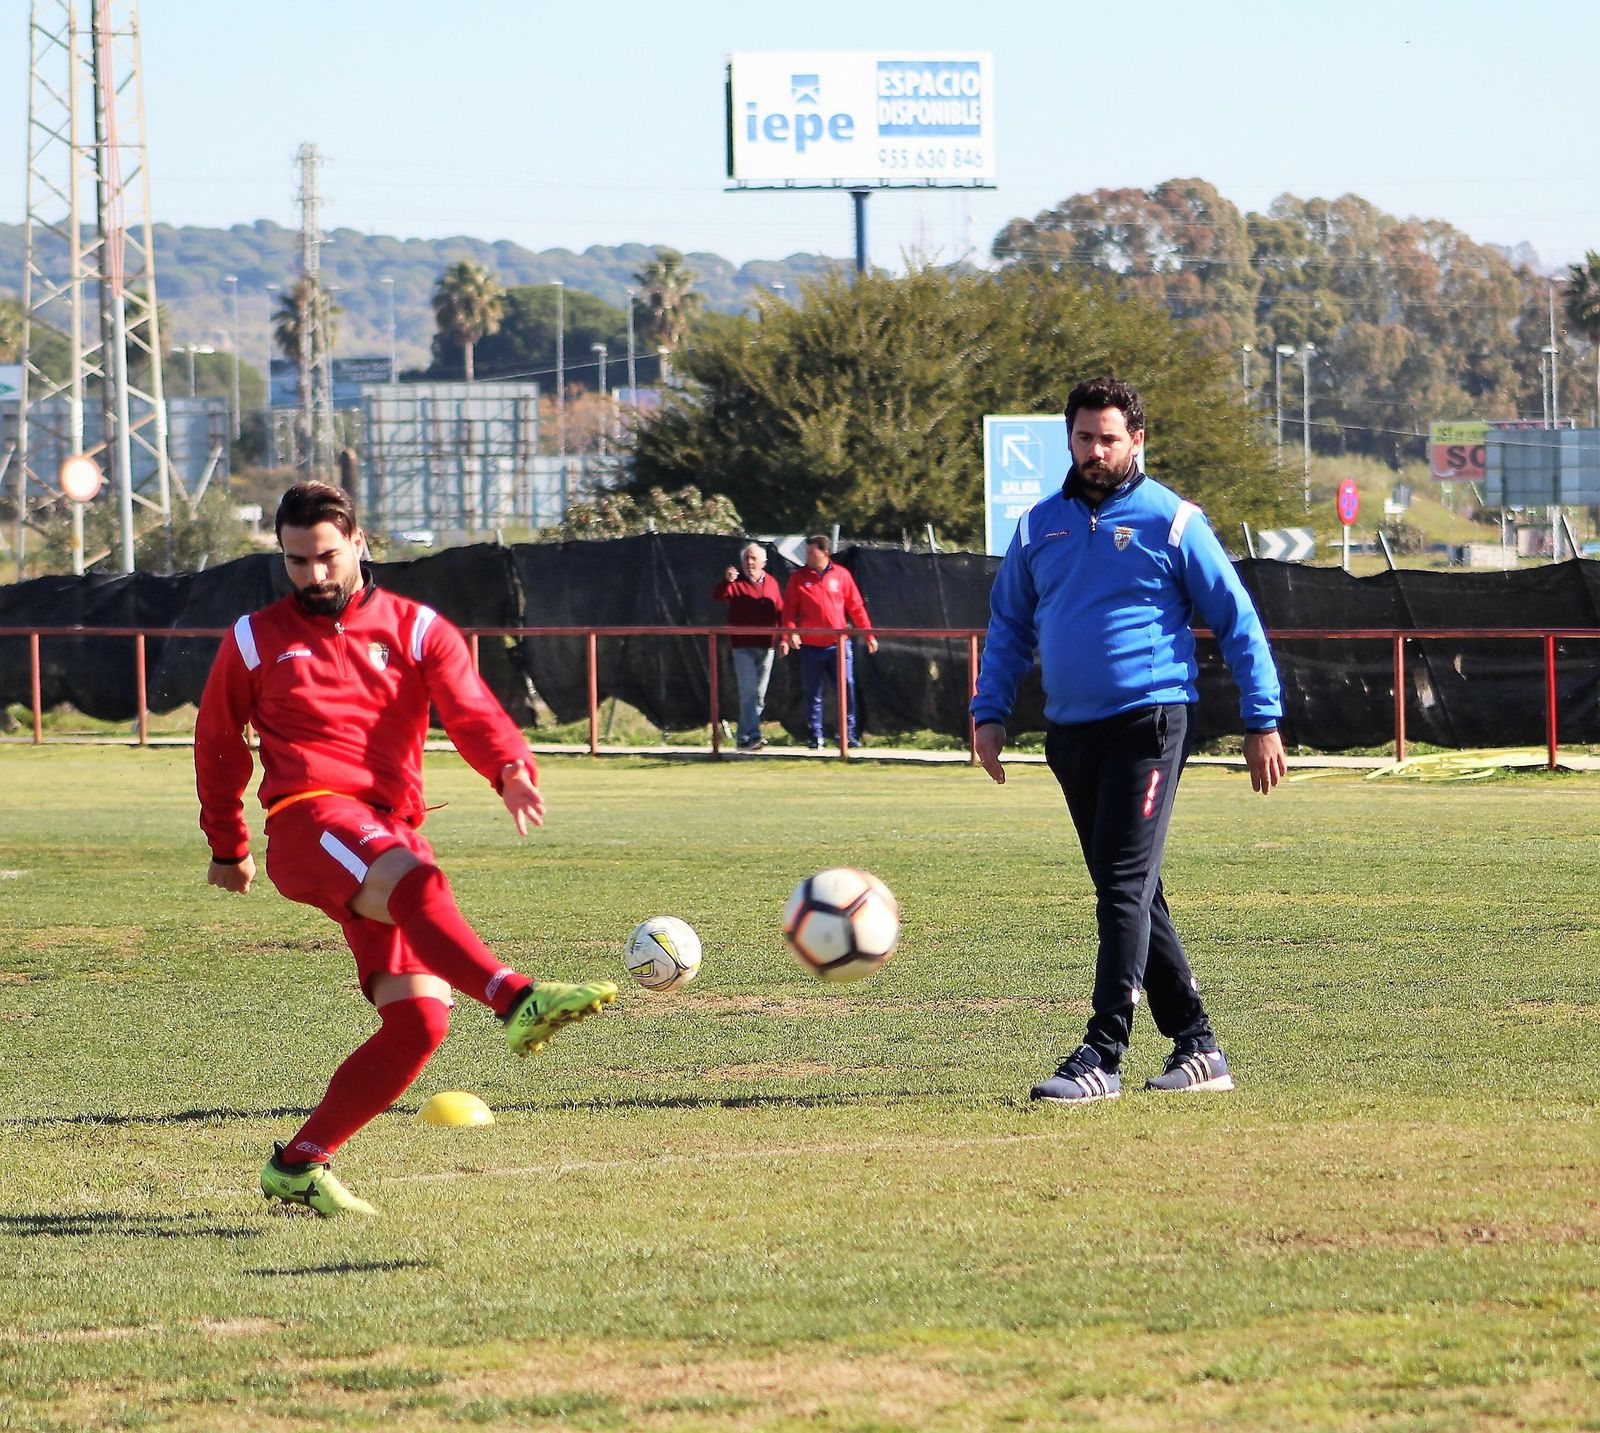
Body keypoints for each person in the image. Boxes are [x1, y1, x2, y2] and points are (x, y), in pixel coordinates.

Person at [195, 481, 617, 1217]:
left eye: (326, 556)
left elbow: (472, 707)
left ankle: (299, 1162)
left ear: (360, 543)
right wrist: (228, 844)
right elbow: (217, 742)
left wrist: (510, 767)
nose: (314, 575)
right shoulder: (255, 638)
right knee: (417, 881)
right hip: (309, 821)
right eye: (297, 561)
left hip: (383, 829)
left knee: (420, 1020)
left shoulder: (418, 629)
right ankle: (518, 997)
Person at [971, 377, 1286, 1104]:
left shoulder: (1171, 520)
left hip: (1150, 725)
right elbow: (1011, 626)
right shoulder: (1037, 526)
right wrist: (990, 712)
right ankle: (1199, 1047)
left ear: (1136, 440)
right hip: (1071, 735)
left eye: (1110, 437)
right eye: (1084, 436)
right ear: (1070, 439)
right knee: (1135, 891)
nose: (1096, 449)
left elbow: (1237, 620)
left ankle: (1101, 1054)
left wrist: (1261, 718)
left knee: (1120, 885)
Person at [780, 534, 877, 749]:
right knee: (813, 692)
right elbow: (789, 610)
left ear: (824, 552)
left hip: (839, 645)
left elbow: (856, 607)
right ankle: (816, 736)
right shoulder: (798, 577)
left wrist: (868, 635)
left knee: (846, 688)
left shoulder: (841, 576)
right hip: (811, 647)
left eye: (811, 551)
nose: (807, 555)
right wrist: (790, 633)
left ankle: (847, 736)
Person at [710, 541, 784, 751]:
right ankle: (752, 736)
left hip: (767, 645)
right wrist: (726, 581)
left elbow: (780, 611)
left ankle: (744, 738)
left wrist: (785, 638)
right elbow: (718, 595)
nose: (749, 562)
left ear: (763, 562)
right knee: (748, 691)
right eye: (746, 558)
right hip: (742, 645)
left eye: (753, 558)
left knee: (758, 695)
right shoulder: (736, 582)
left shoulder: (771, 582)